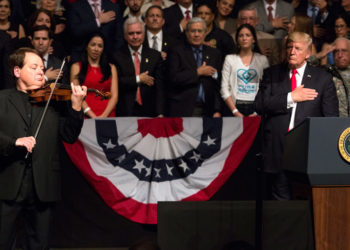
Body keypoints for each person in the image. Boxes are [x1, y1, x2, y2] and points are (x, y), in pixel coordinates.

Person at [0, 47, 86, 249]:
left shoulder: (53, 101)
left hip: (43, 185)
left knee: (39, 244)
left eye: (42, 67)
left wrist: (76, 106)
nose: (41, 71)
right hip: (7, 183)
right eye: (34, 67)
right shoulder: (2, 99)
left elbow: (70, 135)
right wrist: (14, 142)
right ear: (17, 71)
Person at [255, 32, 339, 200]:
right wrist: (290, 97)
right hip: (278, 152)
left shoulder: (322, 79)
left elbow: (331, 119)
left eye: (298, 48)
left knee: (308, 204)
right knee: (281, 205)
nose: (292, 51)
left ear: (308, 54)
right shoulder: (272, 74)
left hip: (308, 153)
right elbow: (259, 105)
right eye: (289, 47)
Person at [167, 17, 222, 117]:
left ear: (205, 33)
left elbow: (217, 85)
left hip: (208, 110)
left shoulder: (214, 53)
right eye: (193, 31)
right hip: (183, 109)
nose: (196, 34)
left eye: (200, 31)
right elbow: (173, 79)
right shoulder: (176, 51)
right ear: (187, 33)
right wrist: (197, 73)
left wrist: (217, 109)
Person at [112, 17, 164, 117]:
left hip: (150, 111)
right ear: (125, 36)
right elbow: (117, 83)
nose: (135, 37)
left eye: (138, 33)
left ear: (144, 34)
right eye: (131, 33)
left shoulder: (155, 56)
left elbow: (159, 88)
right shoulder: (116, 56)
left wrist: (160, 113)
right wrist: (138, 79)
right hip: (124, 111)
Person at [221, 24, 269, 117]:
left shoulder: (262, 60)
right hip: (235, 106)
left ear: (253, 39)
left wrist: (256, 112)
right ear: (237, 40)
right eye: (241, 35)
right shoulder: (230, 59)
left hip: (256, 106)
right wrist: (235, 111)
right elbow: (224, 88)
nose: (244, 38)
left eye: (248, 35)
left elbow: (266, 88)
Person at [71, 32, 118, 118]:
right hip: (85, 115)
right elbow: (76, 95)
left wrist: (104, 116)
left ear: (103, 49)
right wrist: (92, 116)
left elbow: (114, 96)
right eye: (93, 45)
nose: (96, 49)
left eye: (100, 46)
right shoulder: (76, 67)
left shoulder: (111, 67)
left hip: (107, 115)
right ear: (86, 46)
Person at [331, 37, 350, 116]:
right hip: (336, 124)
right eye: (336, 51)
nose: (340, 55)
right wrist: (320, 54)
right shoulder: (327, 73)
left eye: (344, 51)